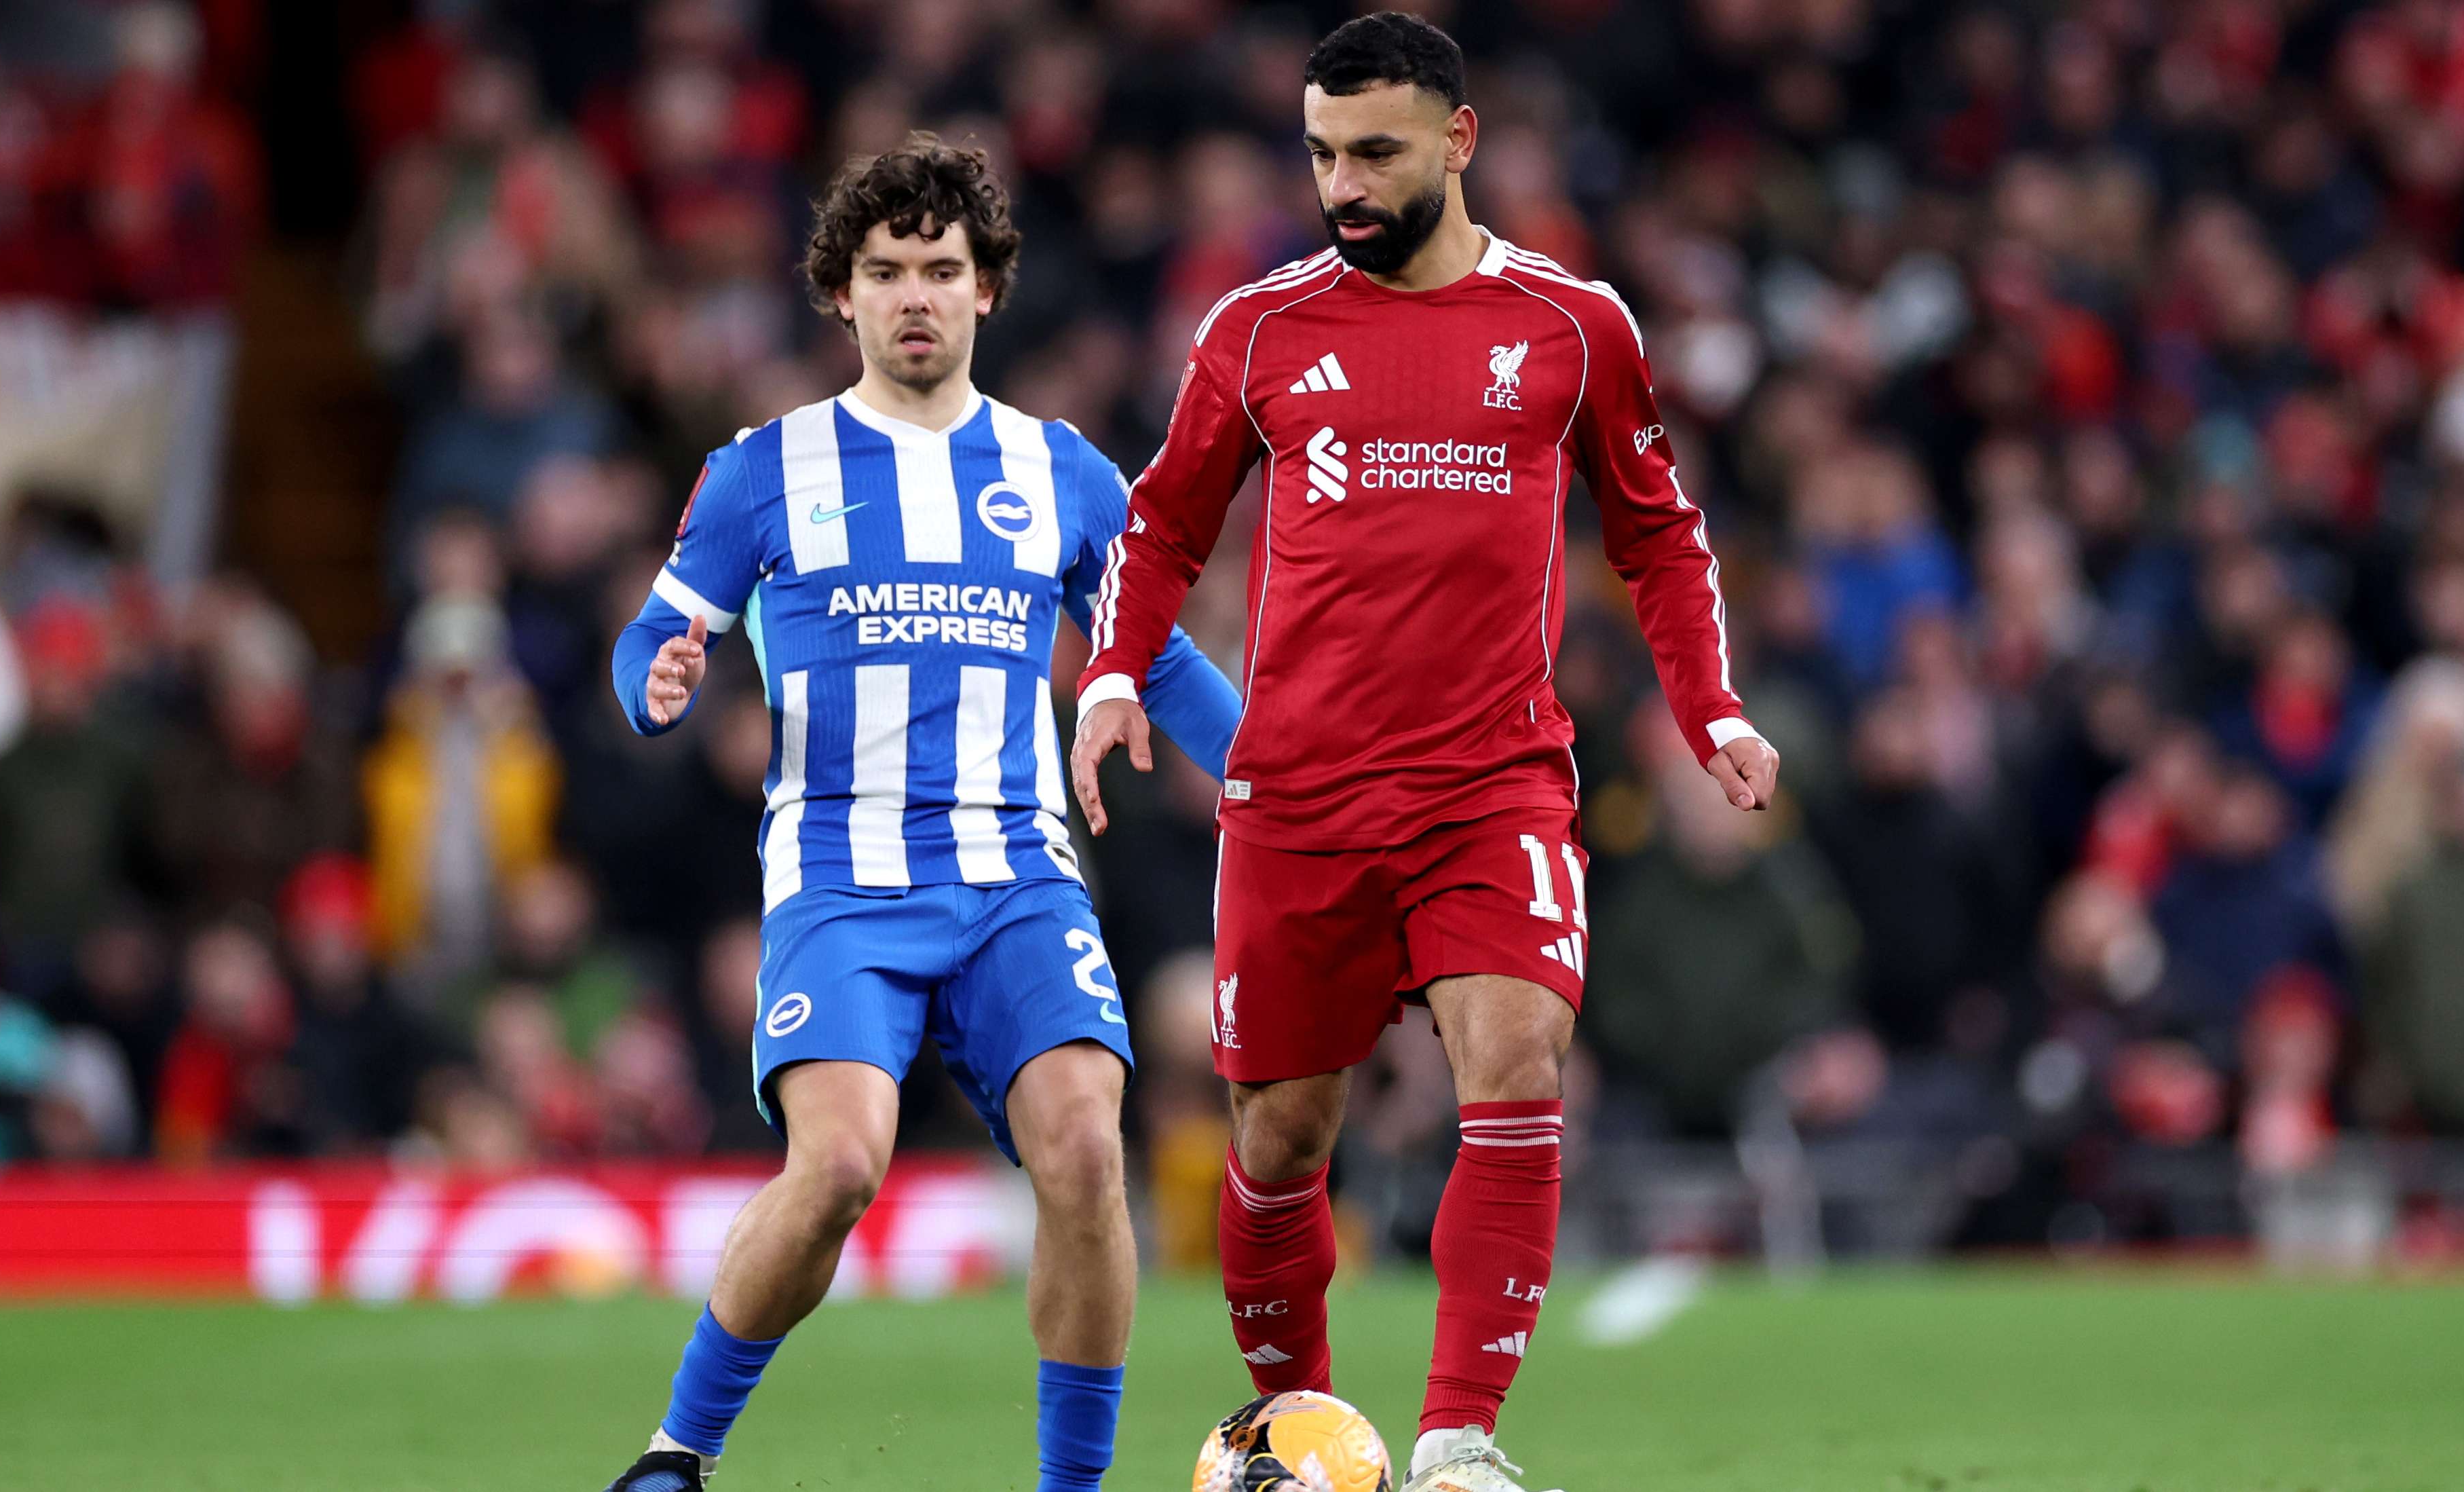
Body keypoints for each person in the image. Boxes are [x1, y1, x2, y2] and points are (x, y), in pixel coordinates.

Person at [1068, 15, 1777, 1491]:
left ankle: (1458, 1442)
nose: (1343, 184)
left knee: (1517, 1054)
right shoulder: (1257, 329)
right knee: (1276, 1136)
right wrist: (1114, 672)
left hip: (1491, 778)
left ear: (1458, 142)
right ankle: (1298, 1436)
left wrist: (1705, 703)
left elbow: (1656, 529)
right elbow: (1161, 521)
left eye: (1374, 152)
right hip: (1299, 795)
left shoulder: (1574, 328)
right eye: (1322, 153)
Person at [598, 134, 1240, 1492]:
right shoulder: (761, 470)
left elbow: (1157, 660)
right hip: (841, 874)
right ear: (841, 294)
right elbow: (654, 637)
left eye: (941, 270)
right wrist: (658, 685)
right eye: (886, 270)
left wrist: (1272, 776)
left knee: (1083, 1146)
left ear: (986, 290)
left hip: (1015, 871)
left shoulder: (1060, 472)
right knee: (837, 1167)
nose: (914, 296)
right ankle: (675, 1452)